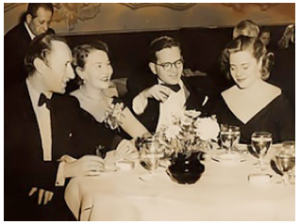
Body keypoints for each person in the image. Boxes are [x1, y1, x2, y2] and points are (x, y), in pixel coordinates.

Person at [4, 33, 135, 221]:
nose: (72, 74)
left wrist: (119, 142)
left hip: (56, 199)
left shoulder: (65, 103)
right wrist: (63, 170)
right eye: (65, 66)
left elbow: (91, 130)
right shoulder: (7, 104)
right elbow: (9, 165)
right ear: (40, 66)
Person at [212, 35, 294, 144]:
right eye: (233, 67)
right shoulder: (221, 100)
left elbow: (291, 147)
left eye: (245, 67)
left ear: (260, 63)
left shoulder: (279, 100)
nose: (238, 73)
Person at [126, 36, 213, 133]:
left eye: (178, 63)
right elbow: (128, 116)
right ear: (153, 68)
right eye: (166, 65)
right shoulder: (141, 87)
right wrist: (145, 95)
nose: (174, 69)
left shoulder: (199, 88)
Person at [70, 40, 149, 139]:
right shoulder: (69, 104)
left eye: (108, 64)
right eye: (99, 66)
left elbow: (145, 137)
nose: (107, 71)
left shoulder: (115, 105)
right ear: (80, 72)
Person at [4, 3, 55, 89]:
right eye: (41, 22)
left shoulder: (50, 34)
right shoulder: (12, 41)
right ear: (29, 19)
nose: (45, 28)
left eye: (48, 22)